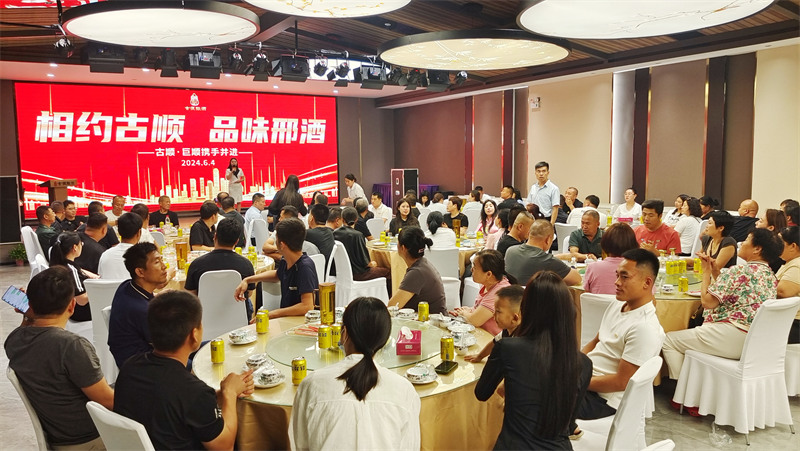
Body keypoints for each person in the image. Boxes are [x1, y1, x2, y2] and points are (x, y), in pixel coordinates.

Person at [113, 290, 254, 450]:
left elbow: (174, 403)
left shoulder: (129, 367)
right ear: (194, 334)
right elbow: (224, 447)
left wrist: (220, 393)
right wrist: (230, 394)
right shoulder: (194, 392)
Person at [476, 271, 592, 449]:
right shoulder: (583, 364)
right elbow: (569, 424)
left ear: (525, 309)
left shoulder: (508, 348)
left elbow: (482, 392)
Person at [5, 267, 115, 450]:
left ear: (29, 305)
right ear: (72, 305)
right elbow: (108, 402)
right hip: (91, 437)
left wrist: (27, 313)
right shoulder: (71, 346)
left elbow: (25, 331)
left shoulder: (13, 341)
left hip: (58, 436)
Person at [291, 297, 420, 451]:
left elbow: (300, 444)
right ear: (384, 340)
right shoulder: (404, 389)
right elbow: (410, 446)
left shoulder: (312, 384)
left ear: (344, 333)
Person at [662, 229, 782, 385]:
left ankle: (681, 388)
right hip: (755, 341)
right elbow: (731, 291)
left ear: (757, 249)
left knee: (669, 340)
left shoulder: (738, 271)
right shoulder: (770, 275)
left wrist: (706, 272)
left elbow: (708, 302)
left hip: (732, 335)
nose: (741, 243)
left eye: (747, 239)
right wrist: (715, 271)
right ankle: (694, 385)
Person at [574, 249, 665, 427]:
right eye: (617, 276)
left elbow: (621, 382)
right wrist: (573, 366)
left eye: (624, 277)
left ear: (647, 282)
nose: (617, 282)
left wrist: (577, 383)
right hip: (585, 380)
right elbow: (596, 341)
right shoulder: (618, 305)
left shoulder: (644, 327)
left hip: (602, 400)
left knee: (534, 398)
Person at [235, 218, 318, 318]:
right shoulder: (286, 261)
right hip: (287, 318)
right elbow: (277, 274)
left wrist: (273, 314)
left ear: (282, 245)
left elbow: (307, 306)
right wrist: (248, 280)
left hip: (300, 321)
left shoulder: (305, 267)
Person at [108, 242, 169, 369]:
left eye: (161, 260)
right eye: (157, 262)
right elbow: (169, 348)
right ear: (140, 272)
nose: (164, 266)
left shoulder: (126, 286)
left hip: (140, 356)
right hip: (146, 368)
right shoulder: (142, 310)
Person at [185, 218, 256, 321]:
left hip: (204, 319)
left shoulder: (197, 264)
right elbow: (249, 293)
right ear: (236, 241)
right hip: (238, 320)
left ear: (215, 237)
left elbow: (190, 295)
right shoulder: (246, 264)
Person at [450, 250, 513, 335]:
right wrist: (469, 310)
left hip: (491, 338)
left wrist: (463, 313)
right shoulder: (487, 286)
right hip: (482, 333)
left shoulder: (499, 292)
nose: (471, 270)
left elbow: (474, 321)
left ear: (488, 274)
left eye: (475, 267)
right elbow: (481, 310)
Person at [388, 226, 447, 315]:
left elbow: (392, 307)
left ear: (403, 248)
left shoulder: (417, 272)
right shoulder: (422, 264)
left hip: (430, 320)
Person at [505, 219, 581, 286]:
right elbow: (576, 279)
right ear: (548, 239)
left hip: (510, 296)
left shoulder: (510, 251)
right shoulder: (547, 260)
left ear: (528, 234)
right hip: (533, 297)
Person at [464, 285, 524, 363]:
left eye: (498, 311)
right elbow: (494, 342)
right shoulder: (507, 330)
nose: (493, 314)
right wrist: (480, 356)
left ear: (515, 318)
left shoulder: (519, 341)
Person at [334, 207, 391, 284]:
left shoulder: (334, 233)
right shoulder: (358, 235)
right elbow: (366, 263)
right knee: (387, 272)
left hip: (341, 273)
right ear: (356, 219)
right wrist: (373, 264)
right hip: (358, 274)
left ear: (342, 219)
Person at [50, 231, 96, 323]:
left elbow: (79, 270)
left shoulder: (59, 263)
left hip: (64, 306)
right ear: (75, 247)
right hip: (79, 312)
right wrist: (97, 290)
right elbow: (82, 300)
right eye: (81, 244)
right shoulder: (71, 271)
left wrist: (91, 276)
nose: (82, 246)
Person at [584, 223, 640, 295]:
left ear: (604, 243)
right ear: (633, 244)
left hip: (599, 302)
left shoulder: (593, 267)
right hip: (628, 302)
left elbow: (587, 296)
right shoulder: (640, 268)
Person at [98, 212, 142, 280]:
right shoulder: (144, 257)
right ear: (139, 232)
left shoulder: (105, 255)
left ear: (118, 231)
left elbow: (100, 278)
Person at [777, 226, 800, 344]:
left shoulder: (797, 264)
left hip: (793, 322)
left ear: (793, 246)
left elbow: (784, 291)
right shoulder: (789, 262)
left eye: (779, 242)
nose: (776, 245)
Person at [306, 204, 336, 268]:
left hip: (315, 268)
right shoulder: (330, 232)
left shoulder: (307, 234)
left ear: (311, 218)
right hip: (326, 269)